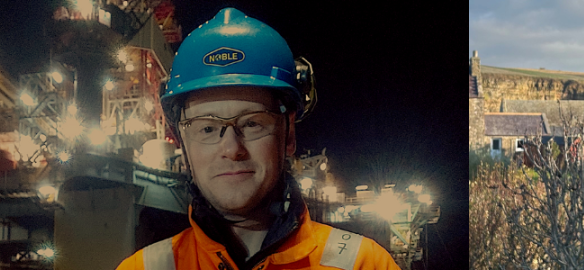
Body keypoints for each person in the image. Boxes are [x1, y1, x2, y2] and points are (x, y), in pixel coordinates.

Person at [115, 8, 399, 270]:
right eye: (207, 128)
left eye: (252, 123)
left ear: (288, 135)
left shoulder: (366, 264)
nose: (231, 149)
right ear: (183, 143)